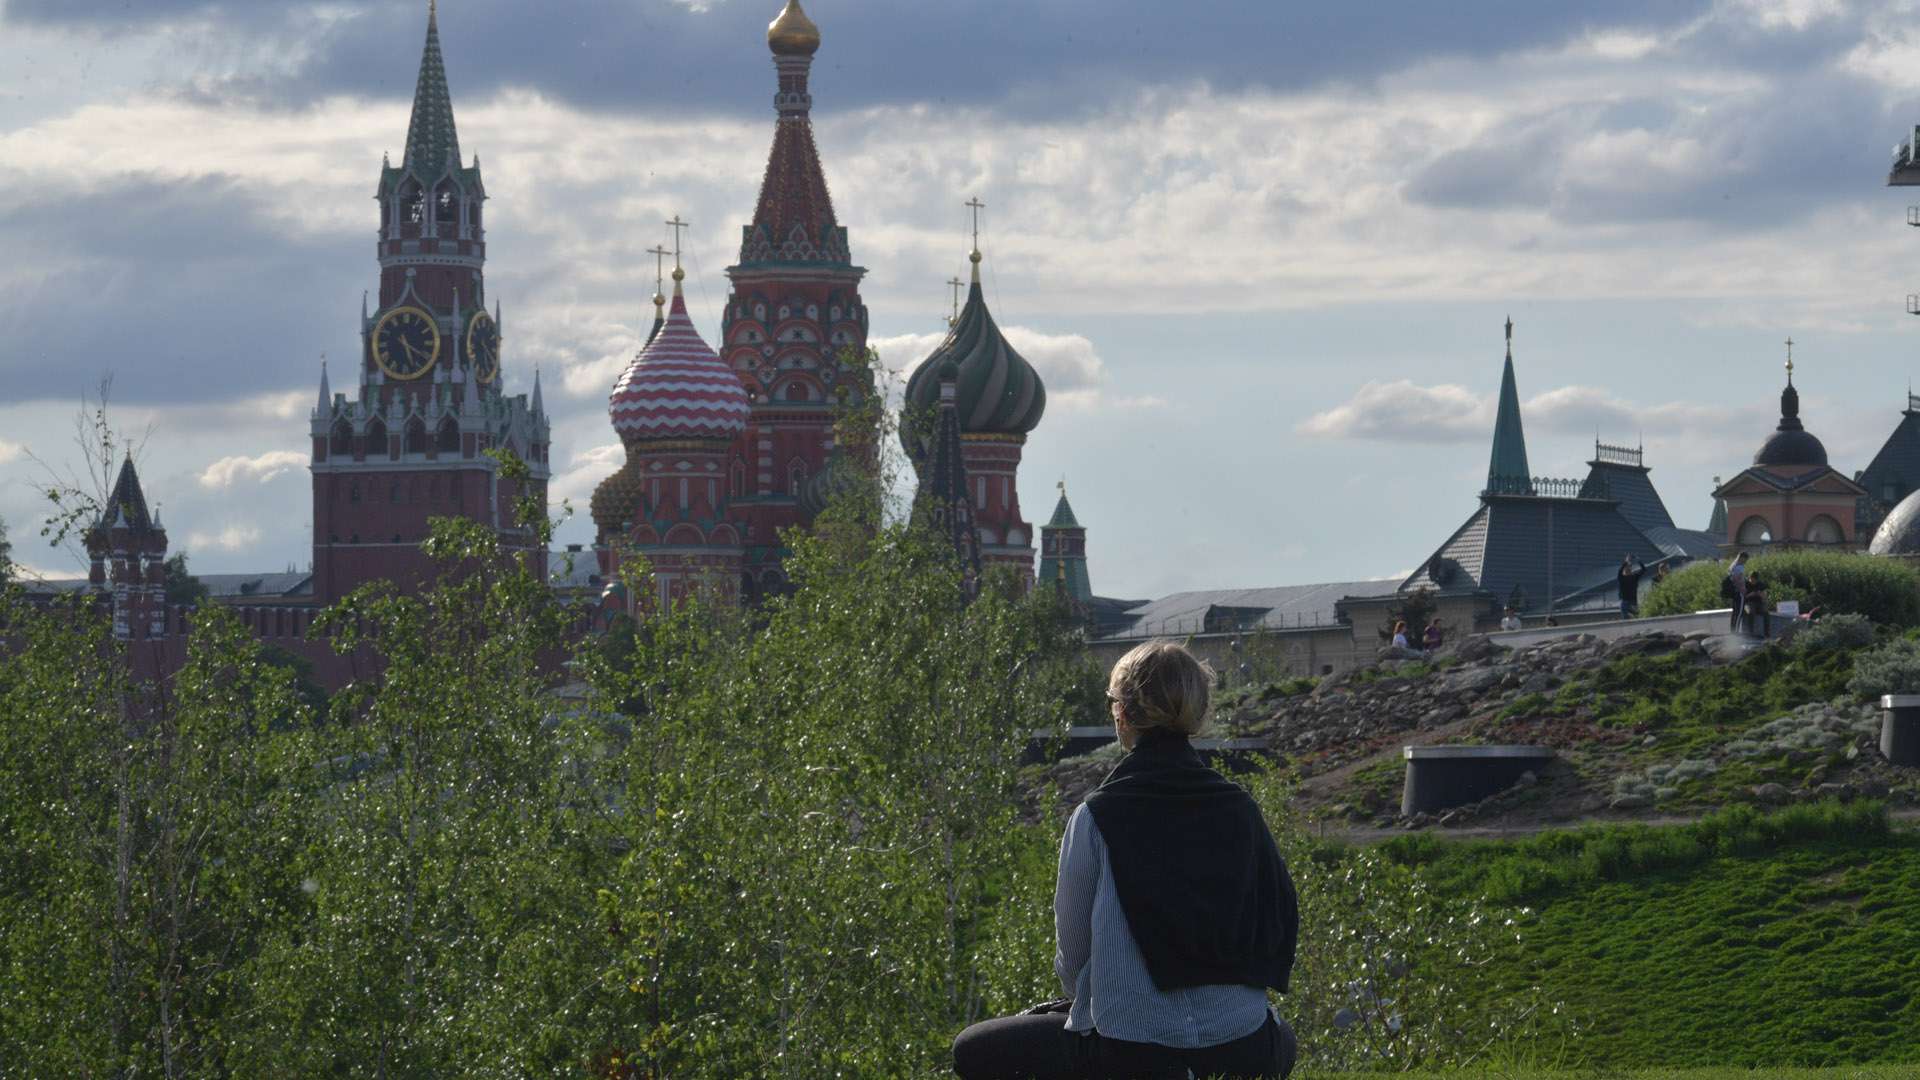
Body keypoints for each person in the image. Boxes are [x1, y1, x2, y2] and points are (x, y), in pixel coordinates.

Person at [951, 641, 1299, 1080]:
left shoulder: (1097, 815)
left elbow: (1073, 956)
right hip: (1243, 1048)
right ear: (1198, 709)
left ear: (1124, 714)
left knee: (973, 1049)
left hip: (1132, 1056)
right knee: (1283, 1039)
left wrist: (1111, 995)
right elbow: (1281, 916)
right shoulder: (1241, 808)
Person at [1725, 552, 1750, 632]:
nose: (1746, 561)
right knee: (1739, 612)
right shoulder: (1740, 567)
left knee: (1735, 612)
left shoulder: (1733, 566)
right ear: (1742, 558)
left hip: (1734, 593)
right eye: (1746, 559)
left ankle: (1732, 630)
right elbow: (1737, 580)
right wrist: (1742, 589)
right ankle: (1736, 631)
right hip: (1739, 593)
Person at [1743, 572, 1770, 639]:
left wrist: (1761, 595)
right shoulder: (1745, 584)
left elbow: (1764, 596)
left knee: (1766, 613)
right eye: (1752, 579)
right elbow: (1743, 597)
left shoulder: (1760, 584)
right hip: (1747, 603)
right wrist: (1751, 594)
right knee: (1751, 612)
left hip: (1759, 603)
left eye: (1755, 580)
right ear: (1750, 578)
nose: (1753, 581)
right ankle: (1750, 632)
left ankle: (1767, 633)